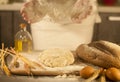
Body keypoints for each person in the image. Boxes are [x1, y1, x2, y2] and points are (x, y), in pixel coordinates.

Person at [20, 0, 100, 50]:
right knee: (45, 57)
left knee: (79, 57)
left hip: (80, 11)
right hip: (45, 17)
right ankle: (41, 6)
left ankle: (41, 5)